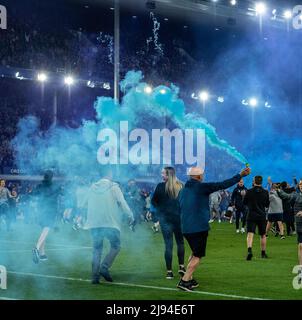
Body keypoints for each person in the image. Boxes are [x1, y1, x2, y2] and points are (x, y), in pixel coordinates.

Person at [177, 166, 251, 291]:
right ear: (199, 176)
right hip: (198, 227)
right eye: (203, 175)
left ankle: (189, 278)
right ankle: (184, 281)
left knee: (195, 252)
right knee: (198, 255)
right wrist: (240, 175)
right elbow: (223, 184)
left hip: (185, 227)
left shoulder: (183, 190)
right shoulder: (202, 187)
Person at [84, 168, 134, 284]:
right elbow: (122, 202)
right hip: (110, 222)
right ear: (110, 174)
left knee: (97, 249)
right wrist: (130, 215)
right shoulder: (113, 186)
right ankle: (104, 267)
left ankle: (95, 277)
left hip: (95, 223)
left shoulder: (92, 187)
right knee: (116, 246)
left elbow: (84, 203)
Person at [151, 167, 185, 279]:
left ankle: (169, 272)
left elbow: (153, 201)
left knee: (168, 245)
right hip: (178, 219)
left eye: (163, 173)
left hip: (165, 220)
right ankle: (181, 266)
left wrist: (160, 211)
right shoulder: (180, 186)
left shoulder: (160, 186)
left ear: (168, 175)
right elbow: (184, 203)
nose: (161, 175)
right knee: (180, 243)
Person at [32, 170, 62, 263]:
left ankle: (42, 254)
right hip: (50, 211)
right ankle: (36, 248)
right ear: (51, 177)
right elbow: (64, 193)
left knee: (43, 231)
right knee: (46, 229)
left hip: (41, 210)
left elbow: (33, 194)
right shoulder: (56, 186)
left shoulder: (40, 186)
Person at [243, 176, 269, 261]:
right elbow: (267, 205)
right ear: (261, 182)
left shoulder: (249, 191)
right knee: (263, 235)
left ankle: (249, 251)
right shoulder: (265, 192)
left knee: (250, 234)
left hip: (251, 215)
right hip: (261, 216)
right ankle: (263, 253)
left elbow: (244, 203)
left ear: (254, 181)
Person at [278, 180, 302, 271]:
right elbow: (286, 196)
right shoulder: (296, 195)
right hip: (299, 224)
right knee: (300, 245)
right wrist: (278, 190)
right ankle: (300, 268)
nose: (301, 186)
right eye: (300, 184)